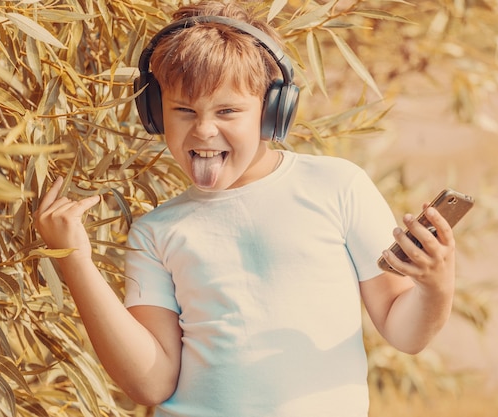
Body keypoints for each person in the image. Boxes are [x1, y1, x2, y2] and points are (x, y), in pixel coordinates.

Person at [34, 1, 457, 416]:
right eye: (183, 110)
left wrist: (436, 285)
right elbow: (150, 382)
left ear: (274, 111)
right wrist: (75, 260)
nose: (203, 129)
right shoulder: (155, 233)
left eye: (228, 111)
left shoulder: (337, 187)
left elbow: (404, 330)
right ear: (154, 114)